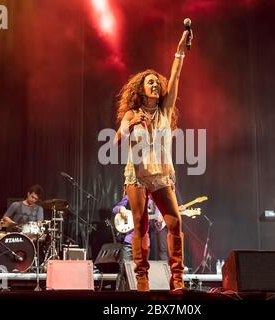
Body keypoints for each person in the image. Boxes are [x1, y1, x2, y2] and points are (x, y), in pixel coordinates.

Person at [114, 29, 191, 292]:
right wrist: (129, 124)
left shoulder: (165, 110)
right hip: (136, 174)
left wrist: (180, 48)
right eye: (150, 82)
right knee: (139, 224)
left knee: (175, 221)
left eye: (156, 82)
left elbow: (177, 74)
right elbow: (117, 140)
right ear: (141, 89)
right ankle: (142, 278)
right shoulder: (131, 113)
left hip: (160, 175)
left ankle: (177, 278)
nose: (155, 84)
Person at [112, 194, 168, 291]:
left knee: (141, 273)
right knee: (122, 270)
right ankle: (118, 294)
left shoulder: (155, 200)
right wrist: (121, 209)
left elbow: (157, 227)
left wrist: (160, 221)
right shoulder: (131, 194)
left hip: (144, 243)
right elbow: (115, 209)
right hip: (129, 240)